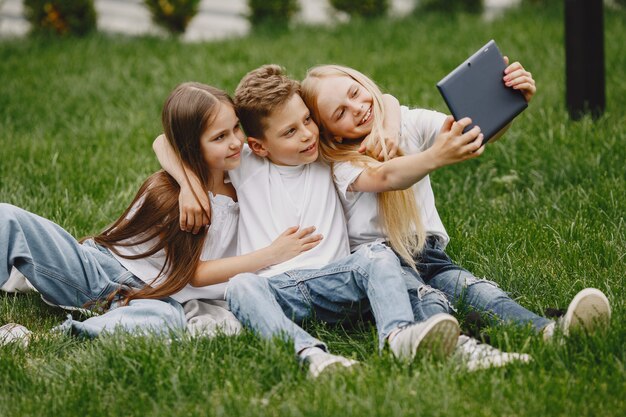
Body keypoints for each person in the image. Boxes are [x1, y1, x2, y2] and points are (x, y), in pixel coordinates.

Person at [154, 65, 464, 378]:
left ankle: (399, 337)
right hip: (279, 290)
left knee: (378, 255)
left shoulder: (325, 154)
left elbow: (387, 100)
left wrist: (394, 131)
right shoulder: (246, 161)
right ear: (259, 145)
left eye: (307, 120)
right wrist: (187, 184)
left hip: (338, 282)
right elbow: (164, 142)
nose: (306, 135)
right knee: (240, 286)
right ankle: (311, 356)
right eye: (289, 132)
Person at [298, 61, 611, 344]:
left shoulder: (407, 121)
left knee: (474, 289)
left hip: (427, 253)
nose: (356, 107)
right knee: (426, 299)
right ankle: (461, 348)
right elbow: (385, 177)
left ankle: (550, 332)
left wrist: (510, 104)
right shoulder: (342, 164)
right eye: (339, 113)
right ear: (333, 134)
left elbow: (474, 133)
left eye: (355, 93)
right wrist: (434, 157)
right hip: (380, 267)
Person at [0, 82, 322, 346]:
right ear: (192, 148)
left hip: (152, 297)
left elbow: (164, 140)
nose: (236, 141)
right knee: (10, 218)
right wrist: (270, 254)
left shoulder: (241, 167)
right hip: (102, 270)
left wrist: (190, 180)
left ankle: (44, 338)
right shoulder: (174, 200)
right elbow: (193, 274)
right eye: (220, 137)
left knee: (166, 321)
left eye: (235, 128)